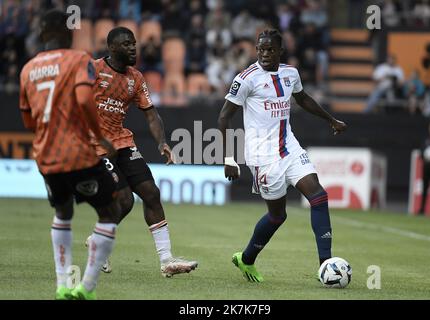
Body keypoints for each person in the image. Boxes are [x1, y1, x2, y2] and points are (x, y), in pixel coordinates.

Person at [218, 29, 347, 283]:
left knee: (318, 196)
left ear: (280, 51)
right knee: (278, 216)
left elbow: (303, 98)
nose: (265, 54)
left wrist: (331, 120)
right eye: (260, 49)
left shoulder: (291, 74)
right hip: (263, 158)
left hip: (290, 148)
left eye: (270, 49)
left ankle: (326, 265)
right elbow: (224, 116)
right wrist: (228, 158)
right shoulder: (246, 79)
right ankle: (246, 259)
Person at [19, 9, 120, 300]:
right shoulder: (79, 60)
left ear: (41, 34)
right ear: (69, 32)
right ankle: (86, 288)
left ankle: (62, 284)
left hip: (46, 156)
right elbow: (83, 98)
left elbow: (28, 120)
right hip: (78, 153)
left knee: (63, 212)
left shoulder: (28, 69)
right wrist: (99, 136)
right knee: (110, 211)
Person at [88, 27, 197, 277]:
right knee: (124, 201)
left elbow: (151, 114)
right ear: (113, 47)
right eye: (127, 44)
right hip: (97, 145)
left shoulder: (135, 78)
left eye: (134, 43)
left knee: (151, 192)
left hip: (123, 142)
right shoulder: (93, 69)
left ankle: (167, 260)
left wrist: (162, 143)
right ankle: (99, 243)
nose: (133, 48)